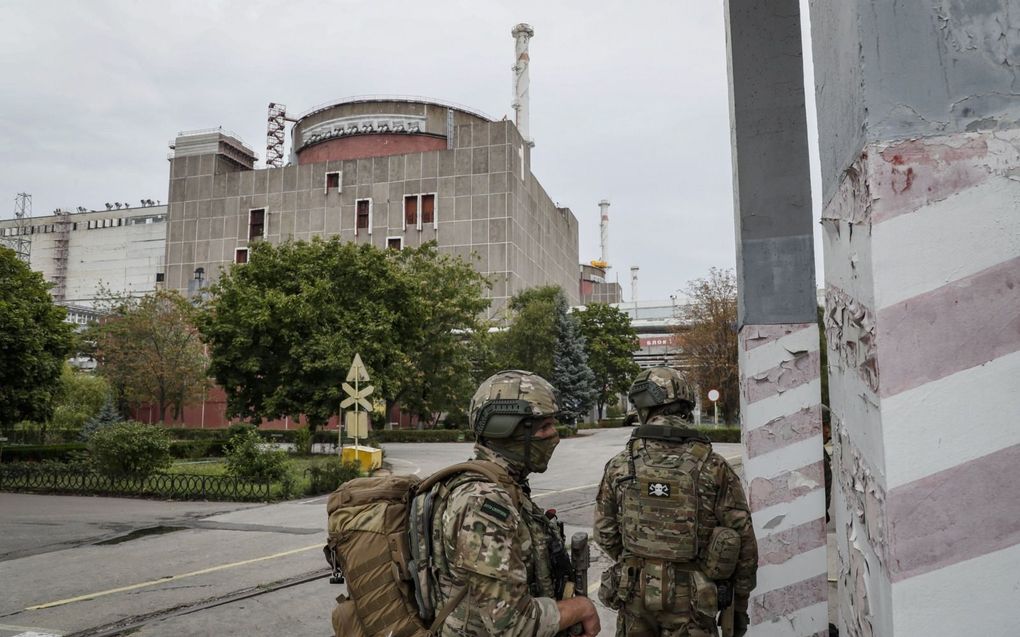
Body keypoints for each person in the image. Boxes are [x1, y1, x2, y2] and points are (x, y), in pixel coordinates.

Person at [431, 369, 601, 637]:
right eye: (544, 427)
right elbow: (512, 625)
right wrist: (581, 608)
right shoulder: (483, 505)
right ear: (506, 429)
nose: (554, 436)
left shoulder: (508, 485)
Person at [594, 367, 758, 637]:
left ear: (644, 407)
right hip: (694, 599)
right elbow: (743, 540)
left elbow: (604, 532)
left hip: (634, 593)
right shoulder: (713, 465)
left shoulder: (620, 465)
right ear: (684, 406)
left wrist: (641, 560)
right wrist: (739, 604)